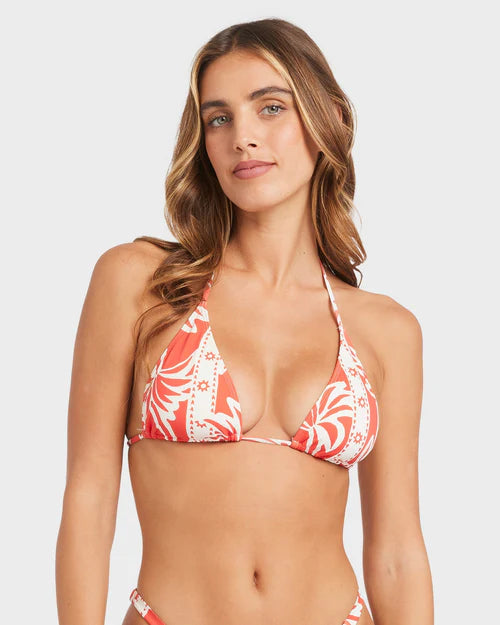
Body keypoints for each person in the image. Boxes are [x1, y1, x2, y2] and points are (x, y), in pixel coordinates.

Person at [55, 17, 434, 625]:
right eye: (219, 118)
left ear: (330, 119)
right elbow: (89, 496)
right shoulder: (141, 284)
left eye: (271, 108)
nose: (243, 138)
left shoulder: (387, 330)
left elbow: (396, 552)